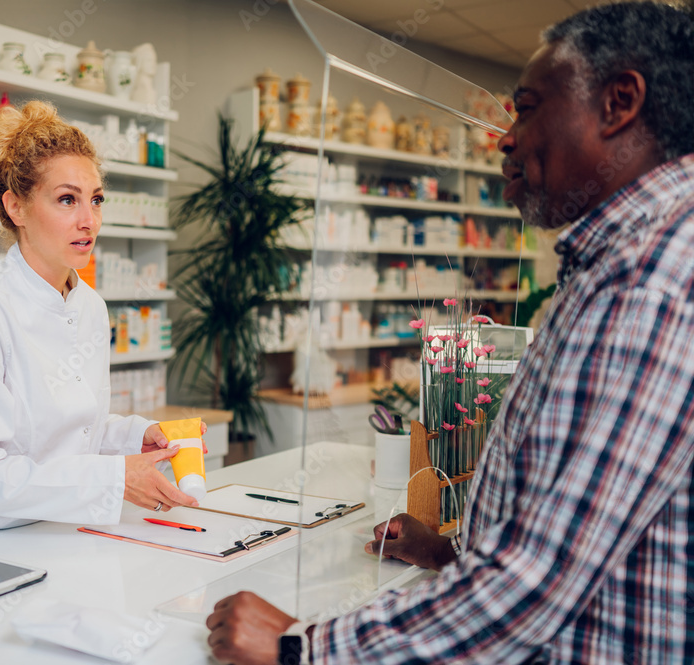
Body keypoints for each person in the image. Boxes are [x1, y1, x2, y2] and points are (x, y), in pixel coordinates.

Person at [207, 3, 694, 663]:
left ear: (619, 103)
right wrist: (453, 552)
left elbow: (537, 581)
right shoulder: (623, 261)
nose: (505, 137)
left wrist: (305, 648)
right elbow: (582, 516)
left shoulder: (651, 280)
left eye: (525, 107)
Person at [0, 101, 201, 556]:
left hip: (54, 533)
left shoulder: (91, 308)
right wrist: (115, 478)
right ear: (15, 207)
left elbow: (70, 432)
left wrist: (134, 436)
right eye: (67, 199)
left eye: (95, 199)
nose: (88, 221)